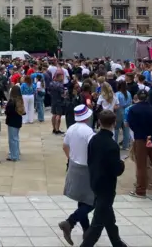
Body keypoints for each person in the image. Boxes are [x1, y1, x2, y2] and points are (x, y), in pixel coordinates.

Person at [79, 110, 127, 247]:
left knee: (107, 215)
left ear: (99, 122)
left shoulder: (94, 139)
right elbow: (116, 170)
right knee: (97, 223)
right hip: (107, 185)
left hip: (95, 181)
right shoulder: (112, 145)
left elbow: (90, 160)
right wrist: (121, 164)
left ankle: (117, 243)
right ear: (114, 124)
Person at [59, 105, 96, 245]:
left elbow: (64, 146)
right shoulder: (88, 132)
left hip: (74, 165)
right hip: (86, 167)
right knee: (93, 200)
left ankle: (87, 230)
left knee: (82, 200)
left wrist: (71, 158)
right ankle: (70, 222)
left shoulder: (71, 128)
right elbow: (93, 150)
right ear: (87, 117)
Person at [127, 90, 152, 198]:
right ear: (147, 97)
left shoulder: (133, 109)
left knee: (141, 166)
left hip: (140, 139)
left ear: (138, 97)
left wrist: (140, 134)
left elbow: (131, 124)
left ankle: (141, 190)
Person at [5, 86, 24, 162]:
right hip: (18, 121)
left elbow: (8, 112)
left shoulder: (12, 102)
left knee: (12, 139)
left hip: (12, 122)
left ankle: (14, 156)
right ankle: (16, 153)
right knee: (15, 138)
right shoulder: (20, 100)